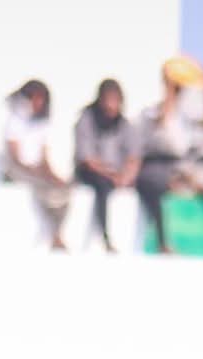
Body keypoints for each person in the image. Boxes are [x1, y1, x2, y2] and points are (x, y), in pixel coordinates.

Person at [134, 57, 203, 253]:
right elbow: (163, 121)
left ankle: (198, 186)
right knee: (161, 181)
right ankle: (163, 242)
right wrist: (170, 88)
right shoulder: (152, 112)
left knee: (201, 159)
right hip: (156, 167)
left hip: (179, 165)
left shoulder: (183, 118)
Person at [2, 80, 71, 252]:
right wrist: (35, 172)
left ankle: (58, 232)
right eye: (34, 97)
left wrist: (52, 176)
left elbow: (43, 156)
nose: (38, 102)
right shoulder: (15, 119)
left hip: (36, 169)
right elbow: (14, 156)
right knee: (42, 187)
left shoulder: (42, 122)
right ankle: (52, 235)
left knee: (64, 189)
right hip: (16, 169)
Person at [73, 79, 141, 252]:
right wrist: (112, 175)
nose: (112, 106)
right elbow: (87, 159)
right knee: (101, 186)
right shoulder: (87, 119)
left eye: (116, 101)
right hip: (92, 174)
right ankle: (104, 237)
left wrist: (125, 177)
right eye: (109, 100)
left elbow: (134, 157)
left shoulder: (124, 125)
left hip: (117, 176)